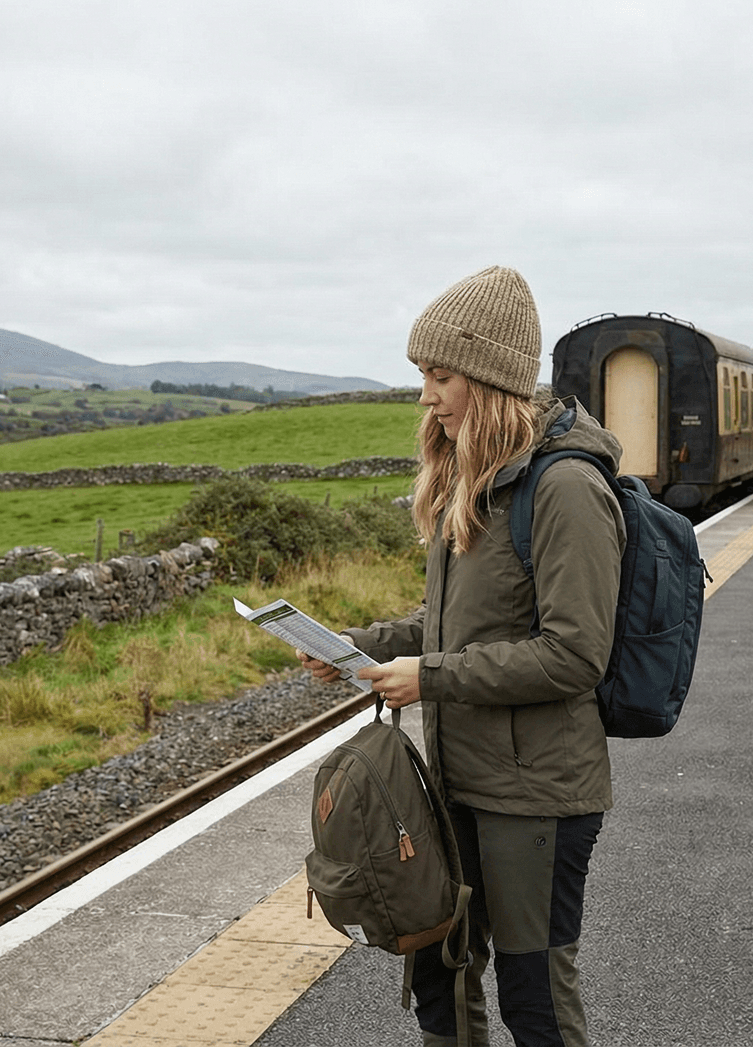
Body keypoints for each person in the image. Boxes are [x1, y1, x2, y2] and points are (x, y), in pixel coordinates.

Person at [299, 265, 625, 1047]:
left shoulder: (567, 488)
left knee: (535, 998)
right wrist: (361, 648)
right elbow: (451, 625)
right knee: (441, 974)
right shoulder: (471, 481)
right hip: (456, 783)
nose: (426, 394)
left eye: (440, 374)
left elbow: (575, 654)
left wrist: (430, 678)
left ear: (490, 378)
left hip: (536, 797)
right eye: (422, 374)